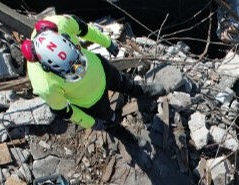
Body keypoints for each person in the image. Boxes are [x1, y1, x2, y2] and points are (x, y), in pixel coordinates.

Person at [20, 15, 166, 141]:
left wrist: (107, 42)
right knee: (110, 121)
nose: (81, 73)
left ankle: (142, 91)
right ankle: (127, 138)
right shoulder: (44, 85)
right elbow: (66, 111)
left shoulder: (60, 24)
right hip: (90, 101)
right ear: (47, 67)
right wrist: (91, 123)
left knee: (123, 82)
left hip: (100, 69)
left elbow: (85, 29)